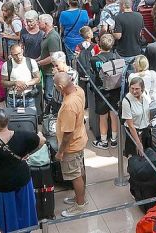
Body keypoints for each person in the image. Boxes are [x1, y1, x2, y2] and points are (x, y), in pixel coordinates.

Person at [54, 71, 89, 218]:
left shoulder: (69, 105)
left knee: (75, 175)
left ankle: (80, 205)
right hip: (80, 139)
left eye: (56, 85)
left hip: (71, 146)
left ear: (61, 86)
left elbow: (68, 133)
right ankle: (80, 197)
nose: (55, 88)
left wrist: (61, 151)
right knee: (80, 170)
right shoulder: (78, 90)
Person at [1, 42, 40, 109]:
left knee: (30, 118)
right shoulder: (6, 65)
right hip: (13, 97)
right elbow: (3, 82)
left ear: (22, 51)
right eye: (15, 55)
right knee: (12, 118)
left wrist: (25, 84)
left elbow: (38, 78)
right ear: (11, 55)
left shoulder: (31, 62)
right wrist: (15, 83)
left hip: (29, 96)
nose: (18, 57)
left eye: (19, 53)